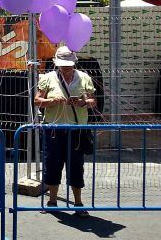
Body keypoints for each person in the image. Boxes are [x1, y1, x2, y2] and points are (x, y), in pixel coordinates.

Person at [35, 46, 96, 218]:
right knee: (52, 165)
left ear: (74, 63)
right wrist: (52, 101)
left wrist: (83, 102)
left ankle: (78, 203)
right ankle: (52, 201)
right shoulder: (47, 78)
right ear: (56, 63)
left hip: (76, 130)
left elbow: (93, 102)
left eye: (69, 65)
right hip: (53, 129)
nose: (66, 68)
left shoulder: (84, 78)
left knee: (76, 167)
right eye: (63, 65)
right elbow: (37, 100)